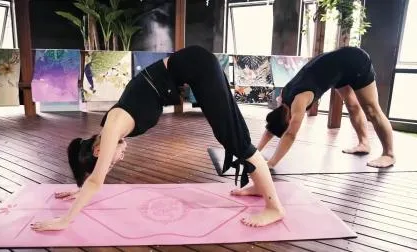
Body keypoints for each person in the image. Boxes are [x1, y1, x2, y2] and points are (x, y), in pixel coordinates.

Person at [30, 45, 285, 232]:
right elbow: (98, 174)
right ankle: (259, 188)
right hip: (195, 64)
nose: (118, 159)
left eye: (112, 160)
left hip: (196, 66)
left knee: (236, 140)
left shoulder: (112, 128)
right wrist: (80, 189)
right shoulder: (110, 128)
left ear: (97, 151)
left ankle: (274, 208)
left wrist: (65, 220)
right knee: (233, 133)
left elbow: (98, 179)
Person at [258, 46, 395, 170]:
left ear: (288, 120)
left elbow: (290, 135)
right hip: (336, 69)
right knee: (352, 106)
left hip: (355, 61)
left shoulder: (299, 102)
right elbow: (271, 128)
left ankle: (389, 154)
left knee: (372, 110)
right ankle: (364, 144)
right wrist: (255, 153)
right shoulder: (283, 99)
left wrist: (270, 163)